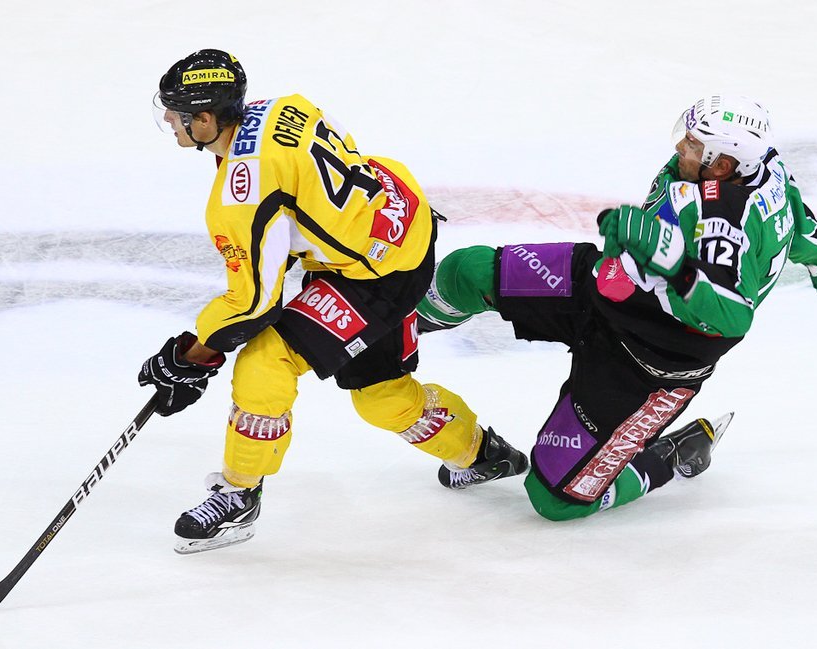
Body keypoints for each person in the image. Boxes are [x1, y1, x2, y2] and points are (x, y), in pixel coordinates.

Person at [137, 49, 528, 554]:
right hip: (403, 221)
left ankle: (238, 495)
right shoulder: (284, 106)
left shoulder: (240, 197)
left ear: (208, 119)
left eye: (177, 114)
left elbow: (253, 306)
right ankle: (483, 454)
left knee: (264, 361)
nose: (171, 122)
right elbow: (322, 182)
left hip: (374, 276)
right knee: (381, 395)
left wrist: (192, 356)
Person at [417, 94, 817, 521]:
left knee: (554, 500)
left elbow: (730, 315)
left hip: (648, 366)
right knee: (465, 272)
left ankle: (668, 457)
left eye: (693, 144)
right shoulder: (763, 166)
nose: (680, 147)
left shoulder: (721, 221)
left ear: (722, 164)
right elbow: (797, 225)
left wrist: (676, 265)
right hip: (606, 288)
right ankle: (405, 324)